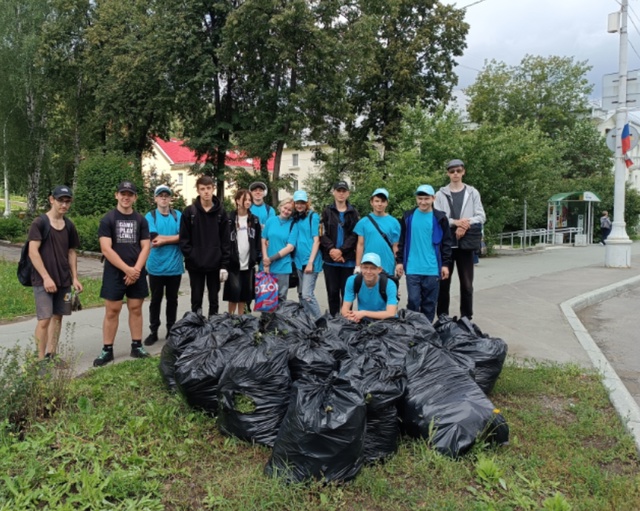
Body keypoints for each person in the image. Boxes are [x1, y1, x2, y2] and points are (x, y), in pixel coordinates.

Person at [94, 181, 151, 367]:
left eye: (130, 194)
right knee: (112, 310)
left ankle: (137, 346)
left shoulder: (141, 220)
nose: (126, 197)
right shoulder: (108, 219)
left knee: (136, 308)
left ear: (135, 197)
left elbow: (146, 246)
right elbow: (106, 249)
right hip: (114, 272)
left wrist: (136, 270)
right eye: (122, 193)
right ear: (116, 195)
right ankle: (107, 350)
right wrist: (127, 270)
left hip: (137, 271)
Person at [27, 185, 83, 362]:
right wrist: (45, 277)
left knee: (58, 317)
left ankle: (52, 355)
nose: (64, 205)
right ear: (52, 200)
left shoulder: (69, 225)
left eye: (67, 201)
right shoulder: (40, 223)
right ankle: (39, 360)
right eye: (60, 200)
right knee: (44, 319)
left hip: (63, 280)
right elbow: (33, 252)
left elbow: (71, 252)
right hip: (43, 280)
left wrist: (74, 277)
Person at [434, 159, 486, 320]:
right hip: (447, 244)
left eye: (458, 170)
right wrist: (456, 223)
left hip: (466, 244)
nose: (455, 174)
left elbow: (481, 216)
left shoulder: (472, 192)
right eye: (452, 171)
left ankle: (467, 318)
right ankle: (443, 318)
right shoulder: (440, 194)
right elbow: (438, 217)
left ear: (463, 171)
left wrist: (465, 224)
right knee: (443, 284)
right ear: (447, 173)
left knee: (467, 284)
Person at [396, 184, 452, 322]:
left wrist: (445, 264)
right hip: (413, 267)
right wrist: (399, 262)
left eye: (426, 198)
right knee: (413, 301)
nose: (423, 202)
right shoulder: (408, 217)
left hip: (432, 268)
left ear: (433, 198)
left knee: (429, 304)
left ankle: (426, 332)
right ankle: (413, 331)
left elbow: (446, 243)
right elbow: (402, 241)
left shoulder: (440, 218)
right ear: (416, 198)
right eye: (420, 198)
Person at [179, 175, 231, 317]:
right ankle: (197, 327)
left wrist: (224, 265)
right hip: (195, 264)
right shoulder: (190, 212)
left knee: (214, 300)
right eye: (202, 189)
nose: (206, 192)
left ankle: (212, 327)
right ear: (198, 190)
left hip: (215, 264)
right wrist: (192, 256)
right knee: (196, 299)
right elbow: (184, 239)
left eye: (209, 188)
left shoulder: (221, 213)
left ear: (213, 189)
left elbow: (226, 241)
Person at [143, 184, 183, 346]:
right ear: (155, 198)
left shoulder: (177, 215)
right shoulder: (150, 216)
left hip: (174, 267)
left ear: (170, 198)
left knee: (172, 300)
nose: (164, 198)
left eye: (167, 195)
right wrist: (175, 238)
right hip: (156, 267)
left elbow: (185, 236)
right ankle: (153, 331)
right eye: (161, 195)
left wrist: (165, 239)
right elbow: (154, 239)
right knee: (156, 300)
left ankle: (171, 331)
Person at [320, 181, 360, 316]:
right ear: (334, 192)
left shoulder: (353, 212)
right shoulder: (326, 211)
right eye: (339, 190)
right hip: (330, 261)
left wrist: (341, 251)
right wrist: (332, 249)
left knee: (347, 294)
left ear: (348, 193)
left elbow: (355, 235)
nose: (341, 193)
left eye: (344, 191)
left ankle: (347, 321)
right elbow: (321, 233)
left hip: (347, 260)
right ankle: (333, 320)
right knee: (332, 292)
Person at [224, 189, 261, 314]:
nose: (248, 202)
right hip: (234, 261)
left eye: (250, 200)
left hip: (249, 261)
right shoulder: (229, 218)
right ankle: (230, 319)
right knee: (234, 293)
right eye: (245, 199)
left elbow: (257, 241)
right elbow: (224, 240)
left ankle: (241, 319)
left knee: (245, 294)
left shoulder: (254, 220)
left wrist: (256, 259)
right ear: (237, 200)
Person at [289, 190, 323, 319]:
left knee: (307, 295)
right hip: (298, 261)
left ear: (307, 203)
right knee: (301, 293)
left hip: (310, 261)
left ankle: (320, 320)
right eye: (297, 203)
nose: (299, 205)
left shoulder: (313, 217)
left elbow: (316, 240)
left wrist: (310, 262)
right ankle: (307, 321)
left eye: (302, 203)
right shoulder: (296, 218)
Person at [354, 188, 401, 276]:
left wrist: (398, 263)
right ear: (371, 202)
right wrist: (357, 265)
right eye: (377, 201)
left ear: (387, 203)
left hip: (388, 263)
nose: (379, 204)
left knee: (388, 288)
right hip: (369, 265)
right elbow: (360, 244)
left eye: (383, 201)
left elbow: (396, 246)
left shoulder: (394, 222)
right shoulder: (363, 222)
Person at [341, 252, 398, 323]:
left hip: (385, 321)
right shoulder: (352, 281)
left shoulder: (389, 284)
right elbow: (344, 309)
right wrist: (350, 317)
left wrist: (364, 313)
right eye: (365, 267)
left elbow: (391, 313)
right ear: (361, 268)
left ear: (379, 269)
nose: (368, 271)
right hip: (363, 320)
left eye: (373, 268)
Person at [262, 198, 295, 302]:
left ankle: (279, 318)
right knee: (267, 297)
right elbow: (263, 239)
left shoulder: (293, 224)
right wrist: (265, 260)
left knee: (281, 297)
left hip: (283, 266)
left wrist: (270, 259)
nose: (286, 211)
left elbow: (290, 247)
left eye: (289, 210)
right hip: (268, 265)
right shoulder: (271, 221)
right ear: (280, 207)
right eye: (285, 208)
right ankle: (267, 318)